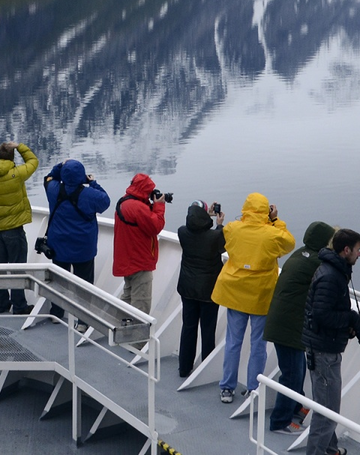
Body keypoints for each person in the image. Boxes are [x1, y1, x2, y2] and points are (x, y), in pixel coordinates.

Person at [211, 192, 294, 403]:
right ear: (266, 210)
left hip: (236, 292)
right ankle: (253, 388)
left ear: (246, 209)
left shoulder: (232, 228)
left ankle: (227, 388)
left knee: (232, 343)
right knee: (258, 345)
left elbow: (227, 234)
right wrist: (275, 220)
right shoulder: (272, 234)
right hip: (261, 295)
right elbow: (289, 243)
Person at [264, 220, 335, 434]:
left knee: (297, 369)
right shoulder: (316, 262)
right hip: (289, 325)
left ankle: (296, 407)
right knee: (292, 374)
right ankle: (280, 421)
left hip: (283, 321)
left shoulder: (300, 254)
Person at [301, 228, 360, 455]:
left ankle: (329, 449)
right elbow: (321, 314)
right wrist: (348, 318)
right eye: (358, 250)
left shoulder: (332, 270)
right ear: (346, 250)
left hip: (321, 346)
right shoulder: (331, 276)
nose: (359, 254)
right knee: (327, 411)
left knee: (326, 406)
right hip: (324, 351)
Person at [42, 160, 110, 324]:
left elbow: (49, 177)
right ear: (82, 176)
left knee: (58, 281)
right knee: (84, 286)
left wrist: (60, 166)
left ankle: (56, 314)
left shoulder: (53, 189)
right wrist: (92, 182)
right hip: (83, 249)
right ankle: (83, 321)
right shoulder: (90, 195)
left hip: (58, 246)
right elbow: (105, 202)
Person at [0, 140, 38, 314]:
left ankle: (1, 304)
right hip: (14, 229)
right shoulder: (16, 174)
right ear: (11, 157)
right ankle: (19, 306)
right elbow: (33, 162)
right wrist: (20, 146)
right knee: (17, 268)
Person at [176, 200, 225, 378]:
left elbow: (194, 226)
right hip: (208, 291)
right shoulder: (214, 236)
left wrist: (206, 217)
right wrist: (218, 225)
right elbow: (222, 245)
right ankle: (205, 370)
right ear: (205, 215)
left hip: (187, 289)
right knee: (208, 329)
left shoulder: (182, 232)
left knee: (188, 327)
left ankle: (184, 367)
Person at [111, 173, 165, 315]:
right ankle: (136, 335)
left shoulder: (124, 202)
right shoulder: (137, 207)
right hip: (139, 262)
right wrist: (159, 206)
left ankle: (122, 328)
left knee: (128, 298)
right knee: (141, 304)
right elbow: (155, 226)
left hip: (128, 260)